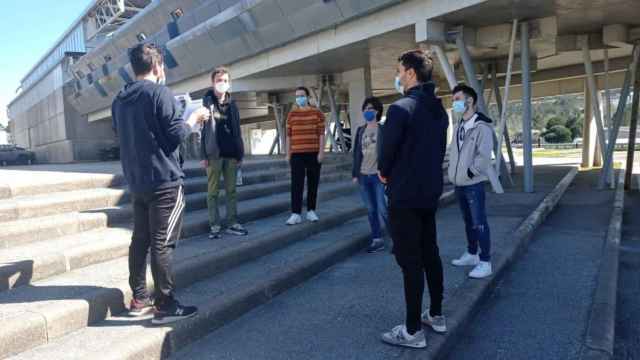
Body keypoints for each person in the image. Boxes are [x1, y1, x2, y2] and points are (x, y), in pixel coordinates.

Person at [112, 42, 208, 324]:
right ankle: (164, 304)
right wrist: (193, 118)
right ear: (156, 66)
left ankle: (139, 298)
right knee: (163, 243)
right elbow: (174, 135)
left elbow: (124, 135)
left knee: (140, 240)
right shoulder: (160, 93)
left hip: (137, 181)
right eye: (162, 66)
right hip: (165, 181)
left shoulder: (119, 100)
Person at [378, 50, 449, 348]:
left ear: (409, 73)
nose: (397, 76)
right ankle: (435, 314)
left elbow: (386, 155)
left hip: (404, 194)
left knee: (410, 261)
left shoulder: (400, 108)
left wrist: (384, 173)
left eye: (399, 70)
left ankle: (411, 331)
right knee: (429, 252)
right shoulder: (439, 110)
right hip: (430, 192)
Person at [448, 84, 500, 279]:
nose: (454, 103)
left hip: (472, 184)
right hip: (459, 183)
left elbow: (484, 156)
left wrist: (470, 173)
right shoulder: (461, 124)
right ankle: (472, 254)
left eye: (457, 99)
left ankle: (485, 261)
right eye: (454, 100)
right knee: (468, 221)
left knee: (479, 223)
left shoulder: (482, 126)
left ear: (469, 101)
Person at [200, 67, 248, 239]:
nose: (222, 83)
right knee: (212, 192)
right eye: (219, 80)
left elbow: (237, 130)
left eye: (225, 81)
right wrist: (203, 155)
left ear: (229, 84)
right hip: (214, 154)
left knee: (231, 191)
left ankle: (232, 222)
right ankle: (214, 225)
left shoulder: (233, 105)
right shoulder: (207, 103)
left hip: (231, 154)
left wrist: (240, 153)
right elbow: (203, 131)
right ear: (213, 83)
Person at [352, 96, 390, 253]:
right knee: (370, 209)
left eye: (371, 109)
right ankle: (377, 239)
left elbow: (389, 153)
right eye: (366, 109)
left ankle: (396, 238)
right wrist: (355, 173)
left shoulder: (383, 130)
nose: (368, 111)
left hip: (378, 176)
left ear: (378, 111)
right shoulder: (360, 131)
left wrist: (387, 173)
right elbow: (356, 153)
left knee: (383, 208)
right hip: (363, 176)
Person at [285, 87, 326, 225]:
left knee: (313, 182)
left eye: (302, 95)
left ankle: (311, 211)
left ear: (308, 97)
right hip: (296, 154)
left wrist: (321, 152)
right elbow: (288, 135)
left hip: (313, 153)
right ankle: (295, 213)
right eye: (297, 96)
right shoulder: (291, 115)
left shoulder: (317, 113)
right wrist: (288, 153)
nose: (299, 98)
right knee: (296, 184)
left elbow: (321, 134)